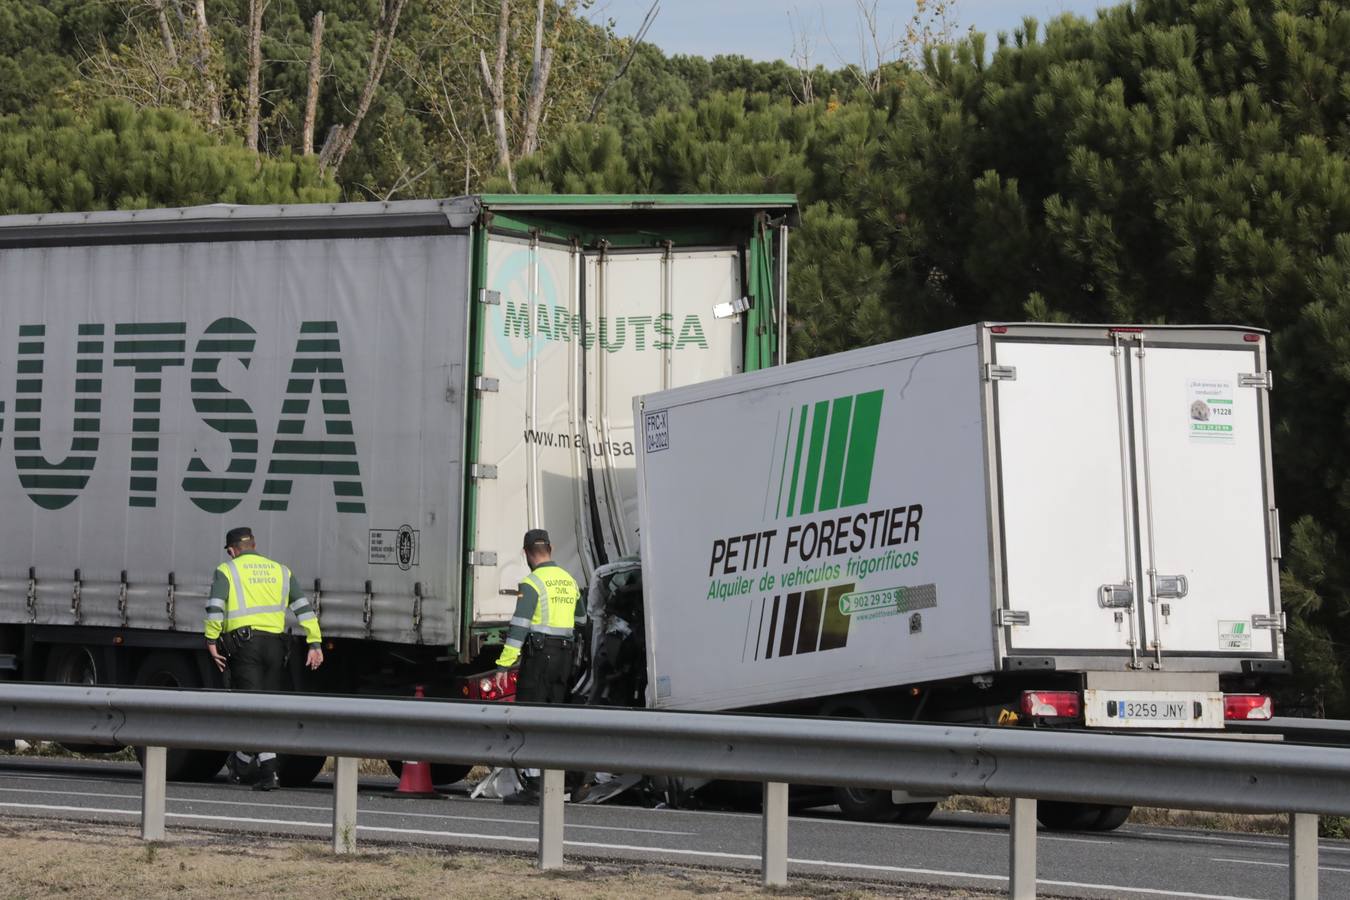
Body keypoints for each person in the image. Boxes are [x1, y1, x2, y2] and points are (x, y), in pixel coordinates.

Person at [204, 526, 324, 791]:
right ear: (254, 545)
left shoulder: (227, 570)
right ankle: (242, 761)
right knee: (266, 708)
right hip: (277, 647)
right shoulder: (281, 570)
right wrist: (314, 642)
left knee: (251, 709)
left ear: (231, 550)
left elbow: (215, 608)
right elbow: (304, 608)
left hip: (246, 648)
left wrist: (211, 640)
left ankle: (268, 772)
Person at [494, 528, 585, 804]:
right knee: (554, 717)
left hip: (539, 658)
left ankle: (534, 785)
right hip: (565, 659)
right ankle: (559, 781)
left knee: (529, 717)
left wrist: (504, 664)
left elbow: (519, 627)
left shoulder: (532, 583)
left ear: (526, 554)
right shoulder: (569, 581)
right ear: (551, 549)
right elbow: (581, 622)